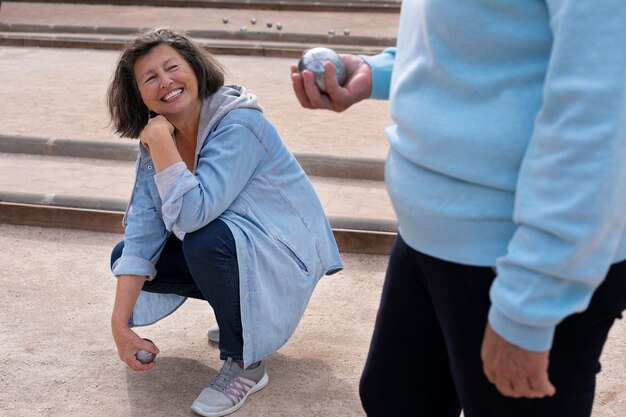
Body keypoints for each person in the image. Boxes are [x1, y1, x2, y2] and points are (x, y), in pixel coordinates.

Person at [291, 1, 626, 416]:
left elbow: (600, 117)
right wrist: (380, 72)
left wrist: (531, 306)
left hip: (515, 249)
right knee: (394, 399)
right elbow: (488, 36)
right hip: (429, 231)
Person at [107, 28, 342, 417]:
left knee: (204, 238)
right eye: (150, 78)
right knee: (131, 256)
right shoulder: (156, 140)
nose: (165, 82)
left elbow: (194, 213)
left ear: (195, 69)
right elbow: (143, 231)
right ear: (138, 94)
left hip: (287, 255)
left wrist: (162, 144)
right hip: (246, 249)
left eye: (172, 67)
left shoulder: (238, 125)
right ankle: (247, 322)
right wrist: (120, 328)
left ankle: (245, 364)